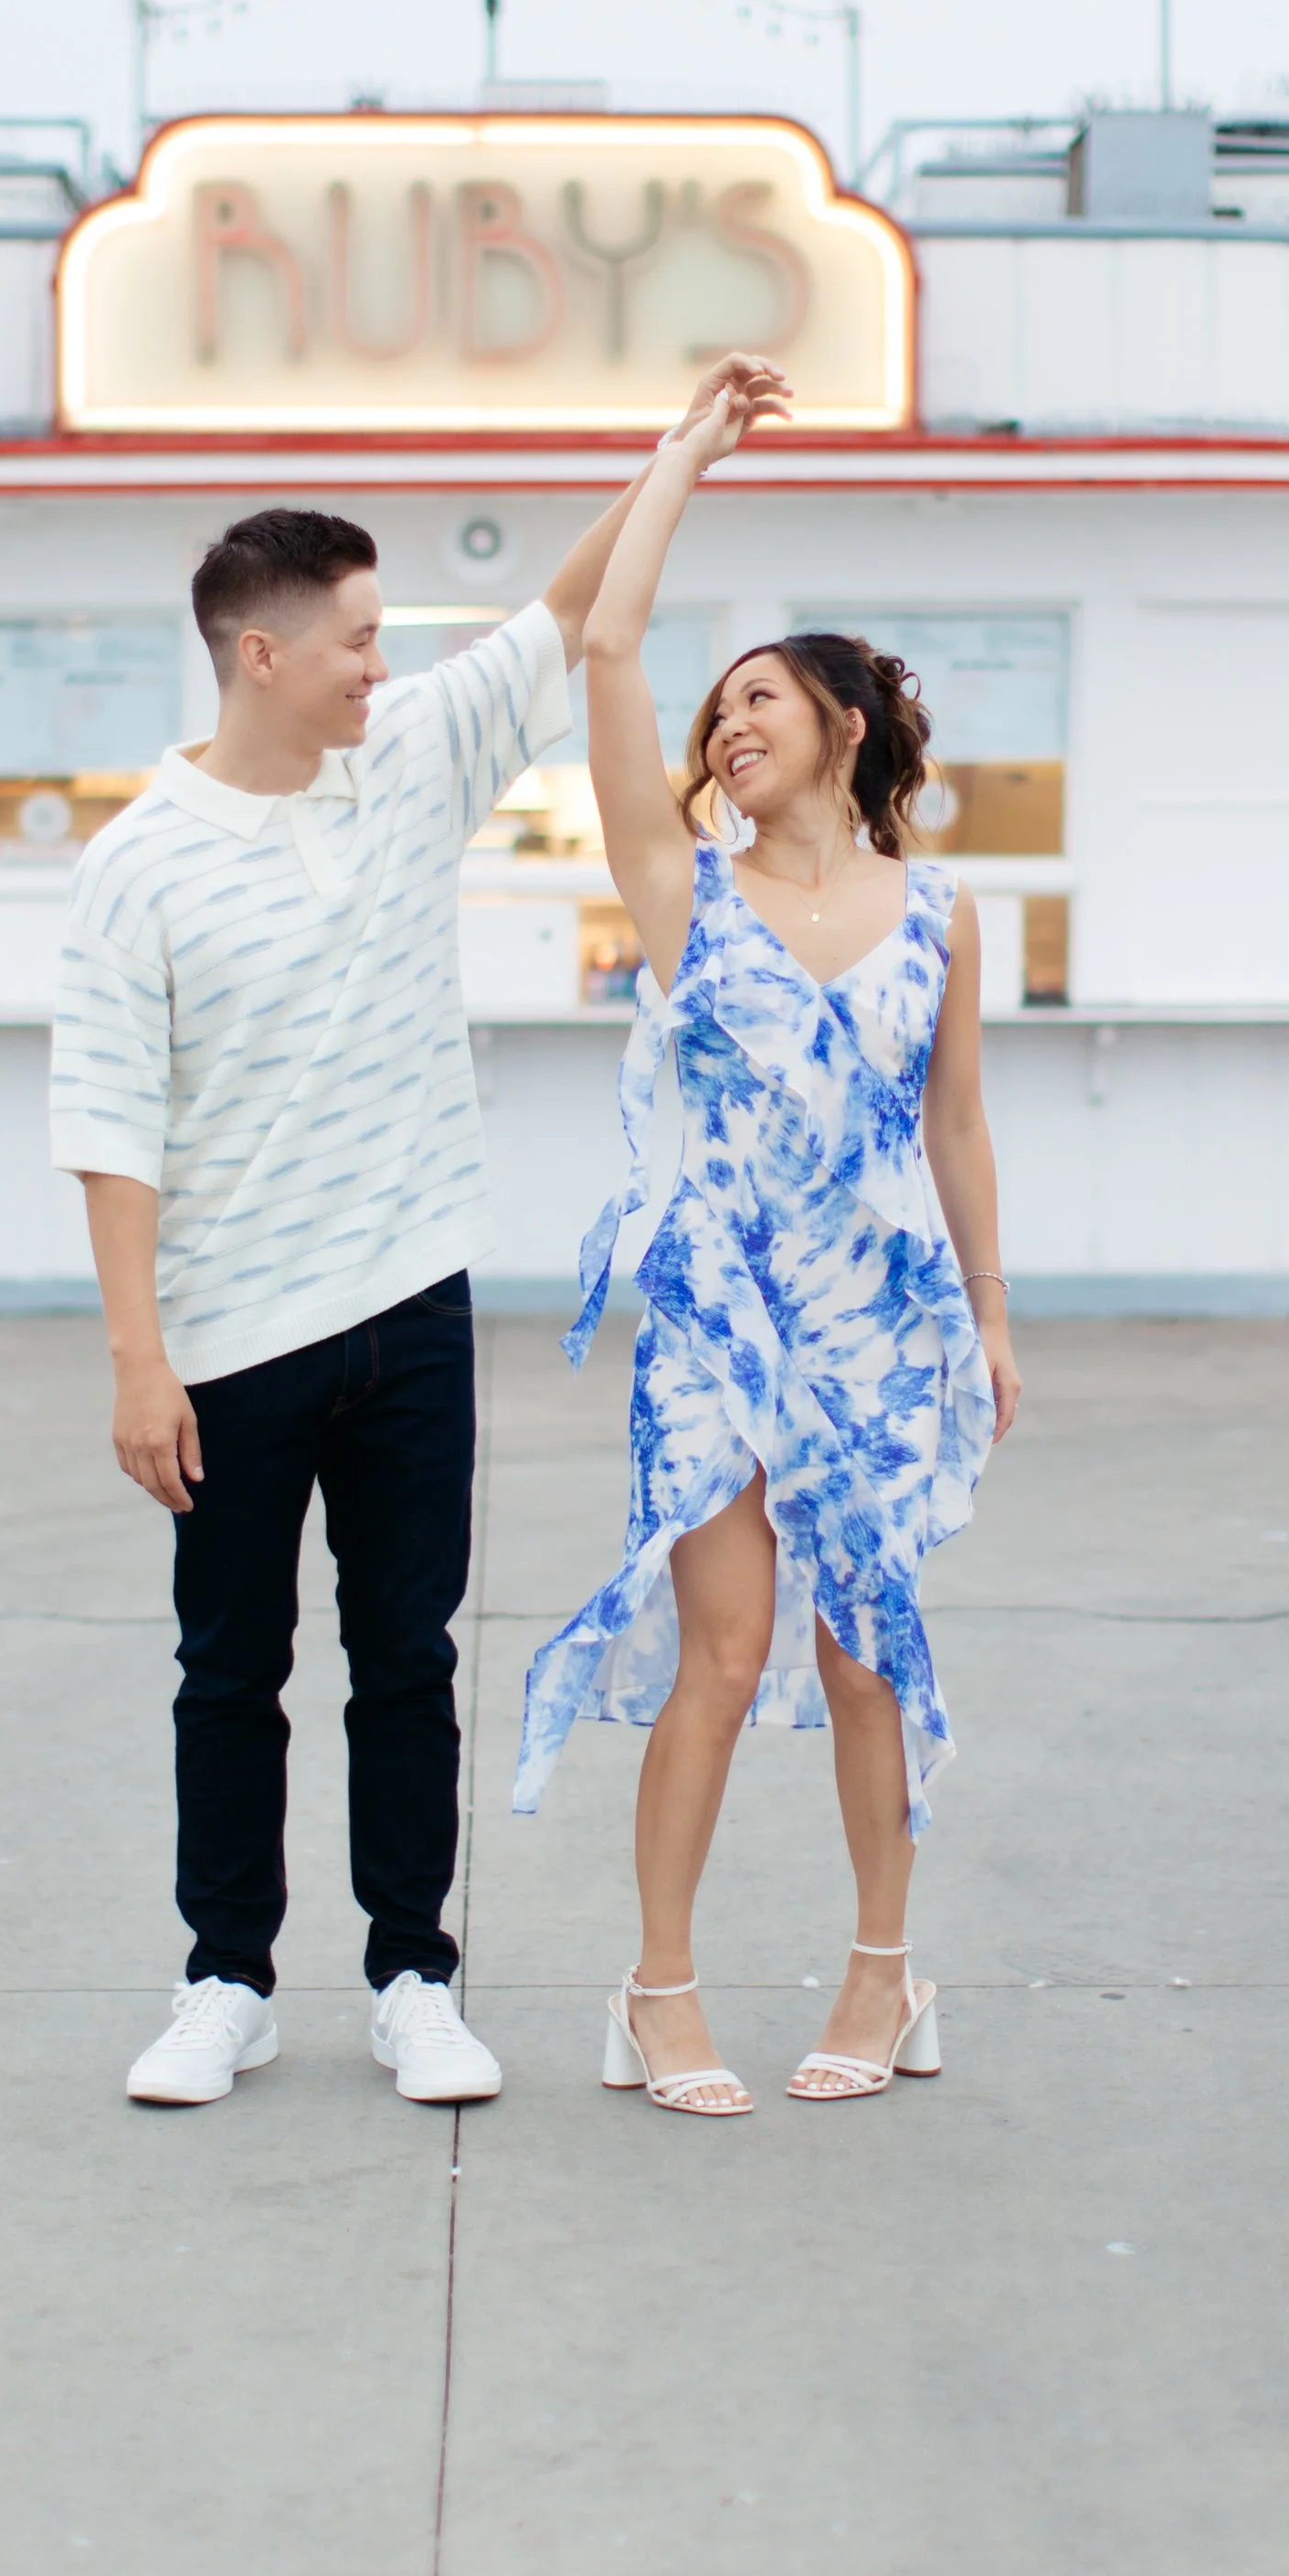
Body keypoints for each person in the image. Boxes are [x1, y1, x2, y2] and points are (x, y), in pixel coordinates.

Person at [48, 398, 766, 2110]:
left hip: (412, 1306)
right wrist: (139, 1356)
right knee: (228, 1670)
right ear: (259, 650)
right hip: (227, 1335)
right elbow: (109, 1122)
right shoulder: (134, 868)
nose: (384, 663)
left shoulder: (415, 759)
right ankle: (223, 1980)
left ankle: (411, 1976)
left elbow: (572, 608)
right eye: (358, 639)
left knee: (408, 1660)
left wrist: (680, 451)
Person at [514, 365, 1023, 2116]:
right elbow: (603, 653)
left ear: (844, 724)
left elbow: (955, 1124)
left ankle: (889, 1976)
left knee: (863, 1639)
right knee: (724, 1651)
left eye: (762, 702)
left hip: (878, 1317)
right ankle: (656, 1993)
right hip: (722, 1310)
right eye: (717, 707)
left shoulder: (943, 913)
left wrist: (993, 1318)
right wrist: (684, 453)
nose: (727, 727)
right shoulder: (687, 894)